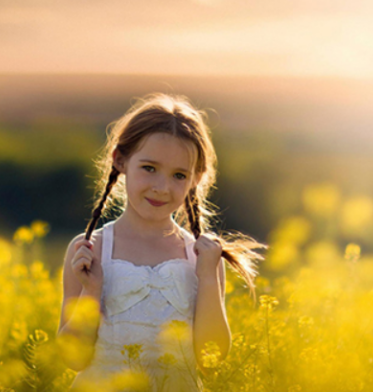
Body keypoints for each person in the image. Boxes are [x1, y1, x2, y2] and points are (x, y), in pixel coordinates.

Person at [57, 93, 265, 392]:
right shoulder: (91, 250)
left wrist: (207, 277)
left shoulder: (201, 258)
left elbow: (212, 358)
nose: (162, 187)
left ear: (196, 178)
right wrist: (91, 290)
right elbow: (71, 357)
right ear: (120, 160)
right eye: (149, 168)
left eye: (179, 175)